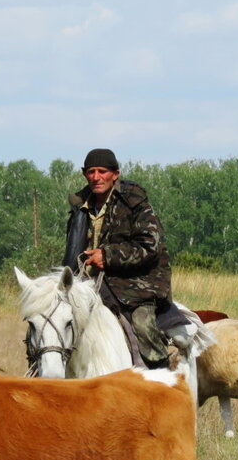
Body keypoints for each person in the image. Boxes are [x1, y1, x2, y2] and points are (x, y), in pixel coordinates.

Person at [63, 148, 189, 368]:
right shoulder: (80, 206)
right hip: (88, 284)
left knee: (142, 323)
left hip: (135, 283)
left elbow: (150, 246)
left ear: (115, 174)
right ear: (84, 174)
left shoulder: (134, 202)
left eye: (102, 171)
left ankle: (160, 376)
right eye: (91, 172)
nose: (96, 177)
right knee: (50, 320)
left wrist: (108, 256)